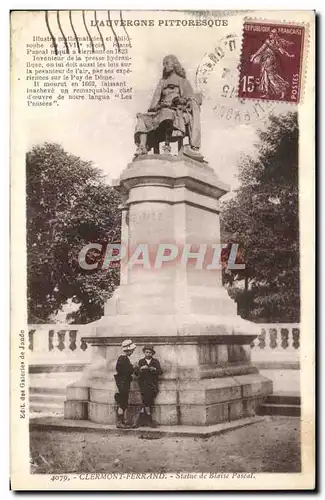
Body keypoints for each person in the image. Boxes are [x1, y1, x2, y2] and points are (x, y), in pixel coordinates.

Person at [134, 54, 203, 161]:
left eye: (167, 63)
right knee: (142, 118)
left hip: (175, 110)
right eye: (163, 64)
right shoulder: (162, 82)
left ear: (174, 64)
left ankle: (167, 146)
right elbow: (155, 100)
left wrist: (180, 101)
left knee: (167, 114)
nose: (165, 66)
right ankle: (142, 147)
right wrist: (155, 107)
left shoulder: (182, 81)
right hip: (160, 109)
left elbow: (189, 98)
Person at [250, 28, 295, 99]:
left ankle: (282, 89)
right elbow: (283, 52)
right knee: (266, 75)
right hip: (268, 60)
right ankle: (267, 93)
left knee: (270, 77)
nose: (270, 35)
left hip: (269, 60)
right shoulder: (276, 43)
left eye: (271, 34)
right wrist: (289, 55)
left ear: (274, 35)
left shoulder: (269, 42)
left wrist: (254, 56)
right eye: (270, 33)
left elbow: (261, 50)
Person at [134, 345, 163, 428]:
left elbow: (160, 372)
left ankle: (140, 419)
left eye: (150, 352)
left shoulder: (155, 361)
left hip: (153, 384)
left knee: (147, 401)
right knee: (147, 401)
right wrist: (140, 369)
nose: (148, 354)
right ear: (144, 352)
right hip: (143, 384)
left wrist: (154, 369)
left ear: (152, 353)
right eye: (146, 352)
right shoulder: (141, 361)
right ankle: (149, 420)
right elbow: (136, 373)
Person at [114, 339, 137, 429]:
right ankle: (119, 422)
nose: (132, 352)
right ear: (128, 350)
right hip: (123, 383)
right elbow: (124, 370)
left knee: (123, 402)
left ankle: (122, 420)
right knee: (122, 402)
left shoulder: (123, 358)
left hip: (123, 382)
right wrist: (133, 367)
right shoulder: (123, 358)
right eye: (132, 350)